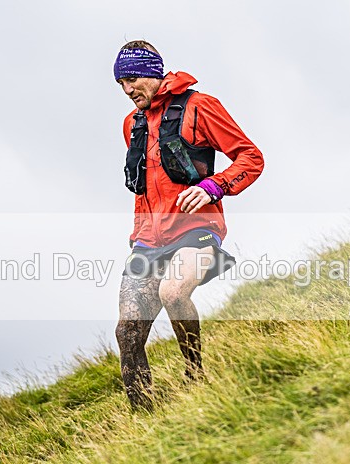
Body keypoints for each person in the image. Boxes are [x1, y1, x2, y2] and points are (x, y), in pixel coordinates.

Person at [113, 40, 264, 410]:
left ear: (153, 73)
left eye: (132, 79)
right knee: (127, 331)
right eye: (120, 83)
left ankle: (195, 374)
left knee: (173, 292)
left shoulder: (200, 107)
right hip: (148, 241)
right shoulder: (131, 124)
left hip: (196, 231)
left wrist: (214, 187)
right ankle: (142, 416)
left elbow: (251, 157)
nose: (127, 90)